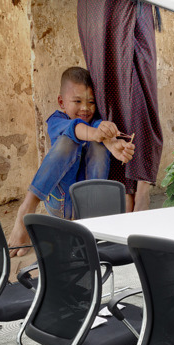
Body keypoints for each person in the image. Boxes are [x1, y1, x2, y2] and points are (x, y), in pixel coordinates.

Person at [8, 67, 134, 257]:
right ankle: (26, 210)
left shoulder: (94, 122)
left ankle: (90, 220)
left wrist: (110, 141)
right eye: (77, 101)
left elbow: (98, 128)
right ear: (61, 102)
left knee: (99, 144)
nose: (85, 108)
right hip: (60, 203)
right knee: (69, 140)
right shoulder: (56, 121)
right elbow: (76, 129)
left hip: (89, 206)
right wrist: (97, 135)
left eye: (91, 102)